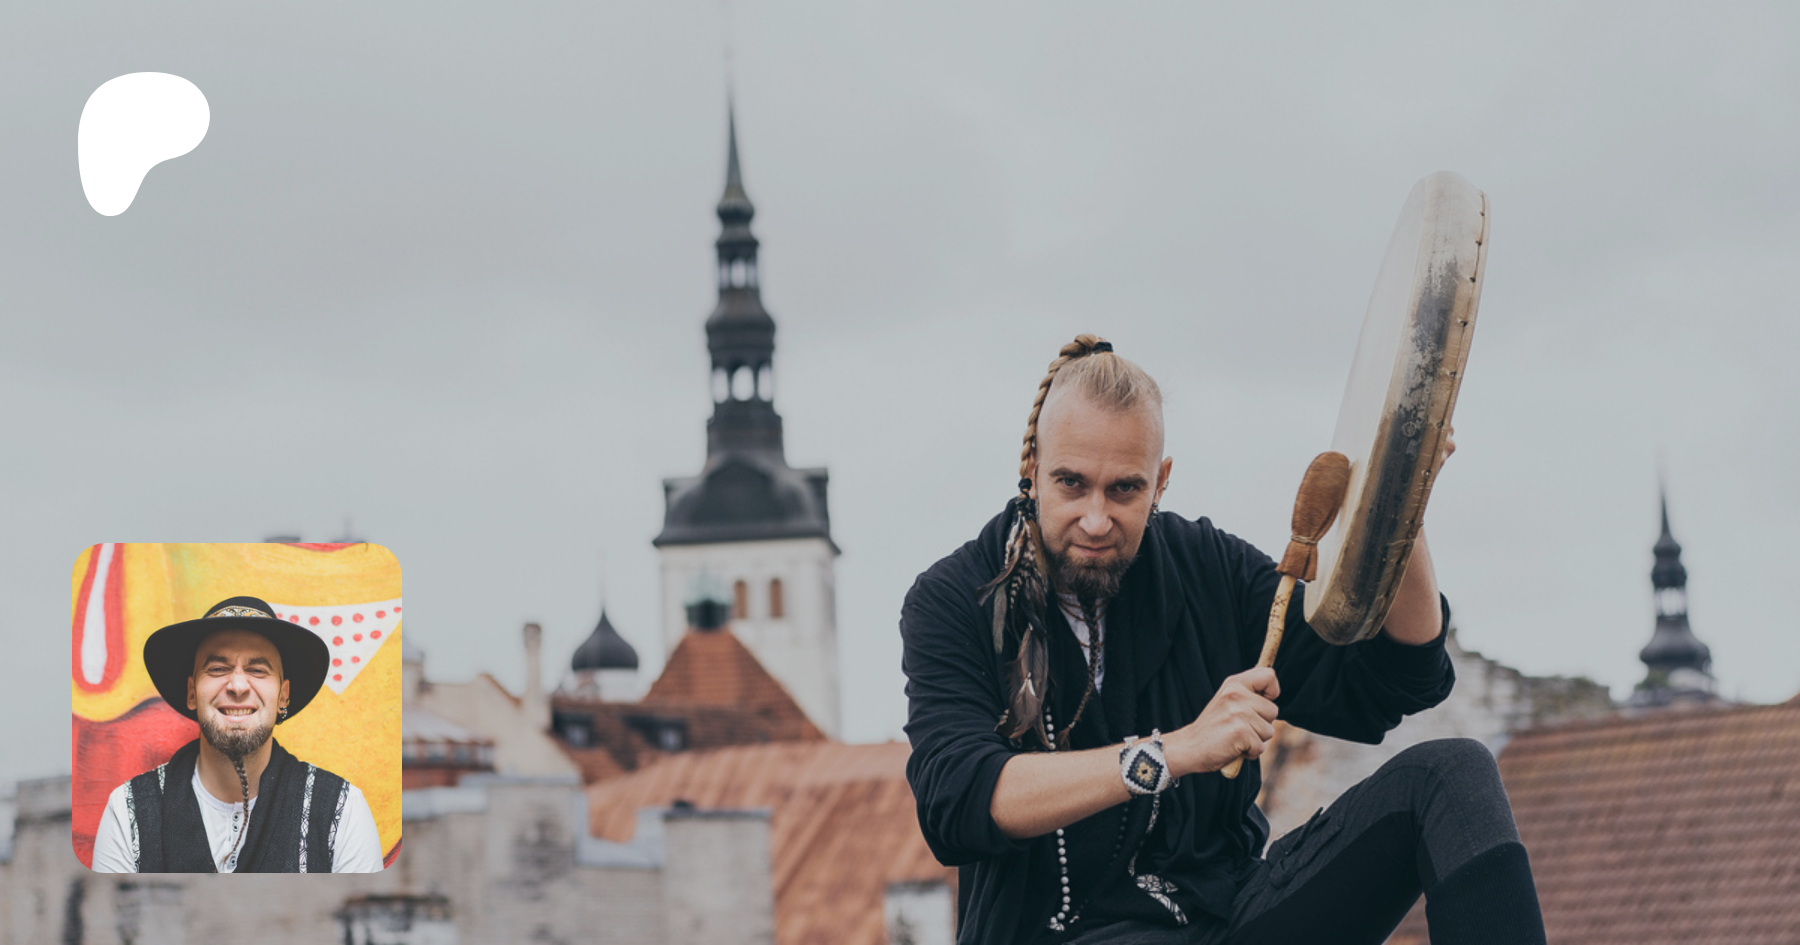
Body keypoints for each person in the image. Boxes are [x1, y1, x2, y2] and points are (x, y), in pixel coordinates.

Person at [900, 335, 1544, 944]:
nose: (1096, 519)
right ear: (1034, 468)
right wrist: (1175, 751)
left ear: (1161, 481)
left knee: (1453, 775)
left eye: (1124, 489)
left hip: (1228, 914)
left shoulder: (1208, 566)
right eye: (1072, 483)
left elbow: (1396, 678)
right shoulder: (952, 599)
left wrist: (1405, 501)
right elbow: (960, 800)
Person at [91, 596, 384, 873]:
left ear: (283, 696)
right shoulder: (128, 811)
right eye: (218, 669)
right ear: (192, 693)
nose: (238, 686)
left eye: (258, 670)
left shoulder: (341, 810)